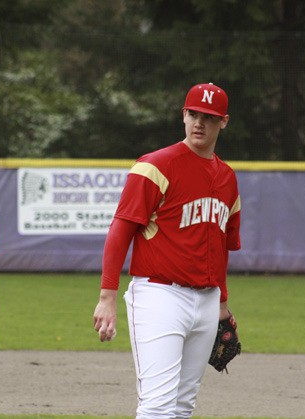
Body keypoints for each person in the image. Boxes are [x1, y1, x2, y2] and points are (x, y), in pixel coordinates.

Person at [93, 83, 241, 418]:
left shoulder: (228, 178)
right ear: (183, 115)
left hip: (206, 300)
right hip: (160, 297)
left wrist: (222, 304)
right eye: (193, 114)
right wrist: (107, 296)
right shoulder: (155, 166)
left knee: (183, 405)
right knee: (158, 404)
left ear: (224, 122)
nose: (199, 123)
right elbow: (120, 230)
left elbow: (221, 249)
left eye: (209, 117)